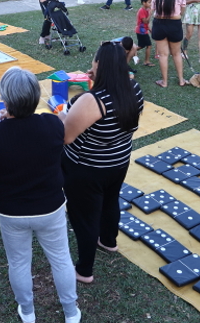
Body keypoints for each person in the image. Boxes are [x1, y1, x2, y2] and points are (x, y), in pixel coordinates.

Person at [0, 67, 82, 323]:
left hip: (12, 211)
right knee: (61, 259)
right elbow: (58, 132)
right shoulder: (51, 123)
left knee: (19, 263)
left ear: (5, 99)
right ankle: (71, 312)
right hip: (50, 206)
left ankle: (28, 312)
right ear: (35, 96)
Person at [58, 41, 143, 284]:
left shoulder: (91, 100)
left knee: (85, 218)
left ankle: (84, 270)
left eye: (95, 60)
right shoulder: (134, 88)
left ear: (99, 65)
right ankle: (108, 241)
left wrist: (62, 113)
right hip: (119, 161)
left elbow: (66, 136)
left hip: (87, 168)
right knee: (110, 201)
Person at [151, 0, 188, 88]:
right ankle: (181, 80)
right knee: (176, 54)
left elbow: (153, 9)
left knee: (163, 55)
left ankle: (164, 82)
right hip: (174, 24)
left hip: (159, 24)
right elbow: (182, 10)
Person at [135, 0, 154, 67]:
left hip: (143, 30)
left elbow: (145, 24)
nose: (150, 4)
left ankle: (130, 51)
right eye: (149, 2)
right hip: (141, 31)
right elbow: (145, 21)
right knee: (149, 45)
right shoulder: (142, 11)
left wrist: (149, 29)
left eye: (151, 2)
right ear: (144, 3)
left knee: (141, 46)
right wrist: (150, 14)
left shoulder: (147, 10)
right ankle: (146, 61)